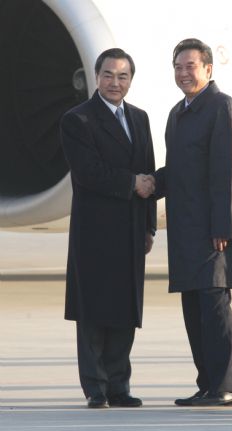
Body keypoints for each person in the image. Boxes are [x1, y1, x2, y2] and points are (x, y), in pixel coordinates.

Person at [151, 38, 232, 406]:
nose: (183, 73)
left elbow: (231, 171)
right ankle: (208, 384)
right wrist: (149, 186)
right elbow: (177, 171)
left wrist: (224, 226)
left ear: (208, 69)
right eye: (177, 66)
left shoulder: (222, 108)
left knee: (214, 305)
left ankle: (226, 387)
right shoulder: (178, 114)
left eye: (190, 66)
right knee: (194, 308)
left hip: (213, 232)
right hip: (184, 230)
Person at [60, 48, 156, 409]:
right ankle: (96, 388)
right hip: (95, 232)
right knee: (93, 312)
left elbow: (148, 169)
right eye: (108, 75)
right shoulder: (78, 120)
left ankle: (120, 385)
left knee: (124, 311)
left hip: (131, 229)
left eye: (123, 76)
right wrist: (132, 184)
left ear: (131, 80)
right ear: (96, 77)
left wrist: (149, 226)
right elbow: (87, 173)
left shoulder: (140, 118)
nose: (115, 83)